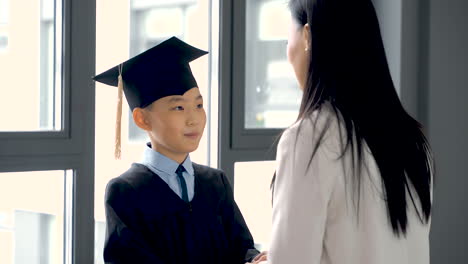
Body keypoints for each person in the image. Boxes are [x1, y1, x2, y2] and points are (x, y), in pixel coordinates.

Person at [268, 0, 434, 263]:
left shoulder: (308, 139)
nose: (288, 52)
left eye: (287, 40)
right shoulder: (412, 137)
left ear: (308, 36)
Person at [94, 37, 265, 264]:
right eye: (179, 107)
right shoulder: (126, 192)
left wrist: (255, 260)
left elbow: (241, 247)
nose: (194, 119)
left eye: (199, 105)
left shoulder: (216, 183)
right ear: (142, 119)